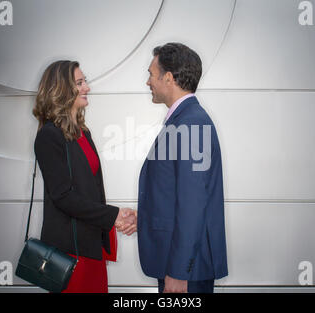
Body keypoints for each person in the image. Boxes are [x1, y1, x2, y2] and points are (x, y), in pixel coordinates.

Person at [32, 60, 136, 293]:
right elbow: (63, 196)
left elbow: (89, 191)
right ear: (60, 90)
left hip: (91, 244)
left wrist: (114, 216)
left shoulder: (82, 132)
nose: (87, 87)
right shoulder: (49, 136)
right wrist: (113, 215)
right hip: (69, 253)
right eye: (79, 83)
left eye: (84, 81)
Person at [137, 43, 228, 293]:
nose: (148, 82)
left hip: (186, 271)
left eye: (151, 74)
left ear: (168, 78)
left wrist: (179, 271)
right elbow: (173, 192)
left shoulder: (191, 123)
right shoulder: (185, 121)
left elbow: (193, 203)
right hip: (182, 265)